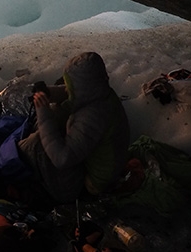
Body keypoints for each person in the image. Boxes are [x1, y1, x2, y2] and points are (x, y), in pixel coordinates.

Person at [17, 51, 130, 205]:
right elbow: (72, 96)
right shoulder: (101, 95)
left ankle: (15, 159)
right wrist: (49, 93)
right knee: (56, 114)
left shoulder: (92, 117)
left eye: (70, 85)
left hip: (91, 182)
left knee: (37, 144)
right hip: (95, 160)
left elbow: (62, 159)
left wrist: (44, 114)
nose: (67, 89)